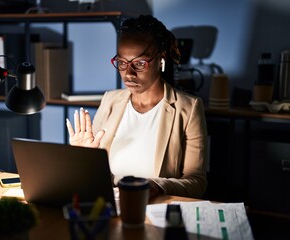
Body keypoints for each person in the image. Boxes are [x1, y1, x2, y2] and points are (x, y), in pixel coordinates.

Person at [66, 15, 208, 199]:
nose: (128, 74)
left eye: (140, 63)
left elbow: (197, 182)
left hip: (153, 208)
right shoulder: (110, 100)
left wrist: (156, 185)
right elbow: (93, 176)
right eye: (122, 63)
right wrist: (83, 157)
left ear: (161, 59)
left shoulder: (188, 108)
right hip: (109, 205)